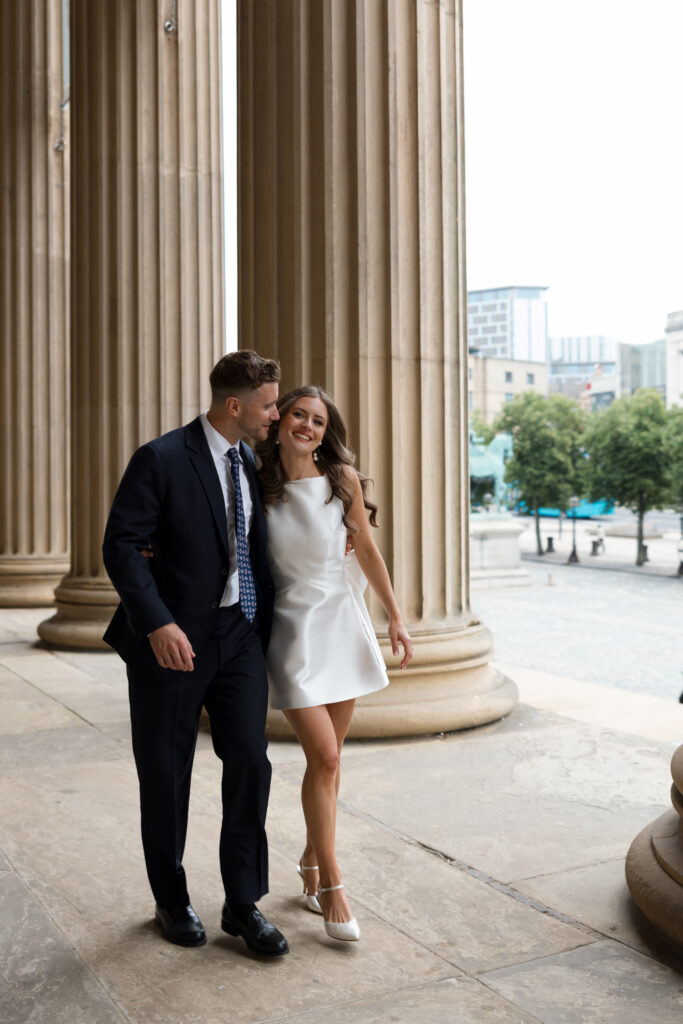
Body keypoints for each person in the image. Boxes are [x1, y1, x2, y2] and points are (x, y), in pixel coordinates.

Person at [102, 350, 290, 957]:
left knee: (250, 765)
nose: (276, 415)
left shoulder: (251, 460)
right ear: (234, 405)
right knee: (165, 773)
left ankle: (243, 903)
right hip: (170, 644)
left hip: (239, 635)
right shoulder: (159, 458)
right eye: (268, 405)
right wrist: (155, 622)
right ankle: (170, 898)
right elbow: (122, 546)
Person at [256, 386, 413, 942]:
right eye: (299, 414)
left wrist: (394, 616)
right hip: (292, 630)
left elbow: (366, 549)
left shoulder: (340, 480)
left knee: (330, 761)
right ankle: (333, 885)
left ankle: (310, 854)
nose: (308, 426)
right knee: (322, 753)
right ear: (278, 420)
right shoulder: (256, 480)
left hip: (341, 622)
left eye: (319, 420)